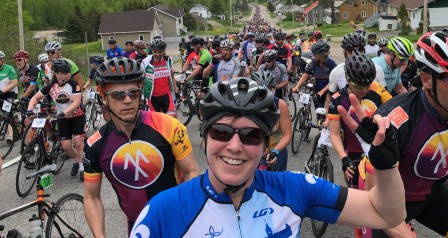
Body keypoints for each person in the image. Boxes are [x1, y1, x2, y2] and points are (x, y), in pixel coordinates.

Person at [129, 77, 406, 237]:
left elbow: (387, 214)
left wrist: (385, 165)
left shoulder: (294, 189)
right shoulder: (163, 211)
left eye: (250, 136)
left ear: (264, 146)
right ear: (204, 140)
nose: (235, 146)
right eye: (222, 133)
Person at [370, 28, 448, 237]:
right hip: (386, 201)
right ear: (427, 79)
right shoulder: (394, 119)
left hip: (433, 193)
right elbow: (372, 191)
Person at [83, 58, 198, 236]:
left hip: (177, 221)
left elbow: (191, 172)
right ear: (103, 98)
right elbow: (92, 197)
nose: (128, 100)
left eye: (134, 93)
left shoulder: (169, 126)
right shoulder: (95, 144)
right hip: (138, 227)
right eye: (118, 95)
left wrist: (189, 215)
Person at [327, 52, 392, 237]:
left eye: (367, 84)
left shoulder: (377, 88)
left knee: (385, 200)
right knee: (360, 208)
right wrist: (344, 158)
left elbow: (397, 108)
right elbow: (334, 133)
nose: (363, 90)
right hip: (353, 155)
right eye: (357, 85)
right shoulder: (338, 99)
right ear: (347, 79)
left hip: (377, 152)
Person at [27, 59, 85, 181]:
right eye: (65, 72)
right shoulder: (50, 85)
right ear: (57, 73)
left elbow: (76, 103)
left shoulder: (74, 84)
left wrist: (64, 112)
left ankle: (82, 166)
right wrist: (29, 110)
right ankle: (77, 160)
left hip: (77, 116)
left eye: (68, 72)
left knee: (79, 143)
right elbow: (35, 98)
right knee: (66, 146)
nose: (68, 74)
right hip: (62, 119)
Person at [251, 70, 292, 171]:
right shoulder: (247, 105)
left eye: (269, 88)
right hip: (254, 151)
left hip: (277, 150)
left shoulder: (280, 105)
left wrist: (275, 152)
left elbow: (287, 135)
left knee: (276, 183)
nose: (265, 92)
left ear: (274, 88)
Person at [291, 41, 337, 111]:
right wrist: (296, 87)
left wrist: (323, 91)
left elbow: (333, 81)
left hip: (329, 91)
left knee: (328, 113)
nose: (313, 55)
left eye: (315, 53)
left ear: (322, 54)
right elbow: (305, 75)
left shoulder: (331, 63)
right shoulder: (313, 63)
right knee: (318, 111)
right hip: (317, 91)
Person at [141, 39, 178, 117]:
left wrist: (176, 89)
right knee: (156, 122)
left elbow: (171, 75)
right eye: (155, 52)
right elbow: (142, 80)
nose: (157, 54)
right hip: (152, 97)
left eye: (160, 52)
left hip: (166, 95)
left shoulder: (168, 60)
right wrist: (141, 96)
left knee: (172, 119)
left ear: (164, 50)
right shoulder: (145, 62)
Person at [83, 54, 110, 123]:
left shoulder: (106, 69)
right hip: (99, 90)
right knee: (104, 110)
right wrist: (84, 87)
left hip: (107, 90)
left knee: (108, 109)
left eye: (91, 63)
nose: (90, 65)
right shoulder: (93, 70)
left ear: (95, 63)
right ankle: (108, 125)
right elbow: (89, 80)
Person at [0, 50, 19, 145]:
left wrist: (2, 91)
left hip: (11, 93)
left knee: (7, 112)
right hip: (1, 94)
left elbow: (15, 82)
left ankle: (10, 136)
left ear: (2, 59)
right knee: (5, 113)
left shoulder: (9, 68)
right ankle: (16, 123)